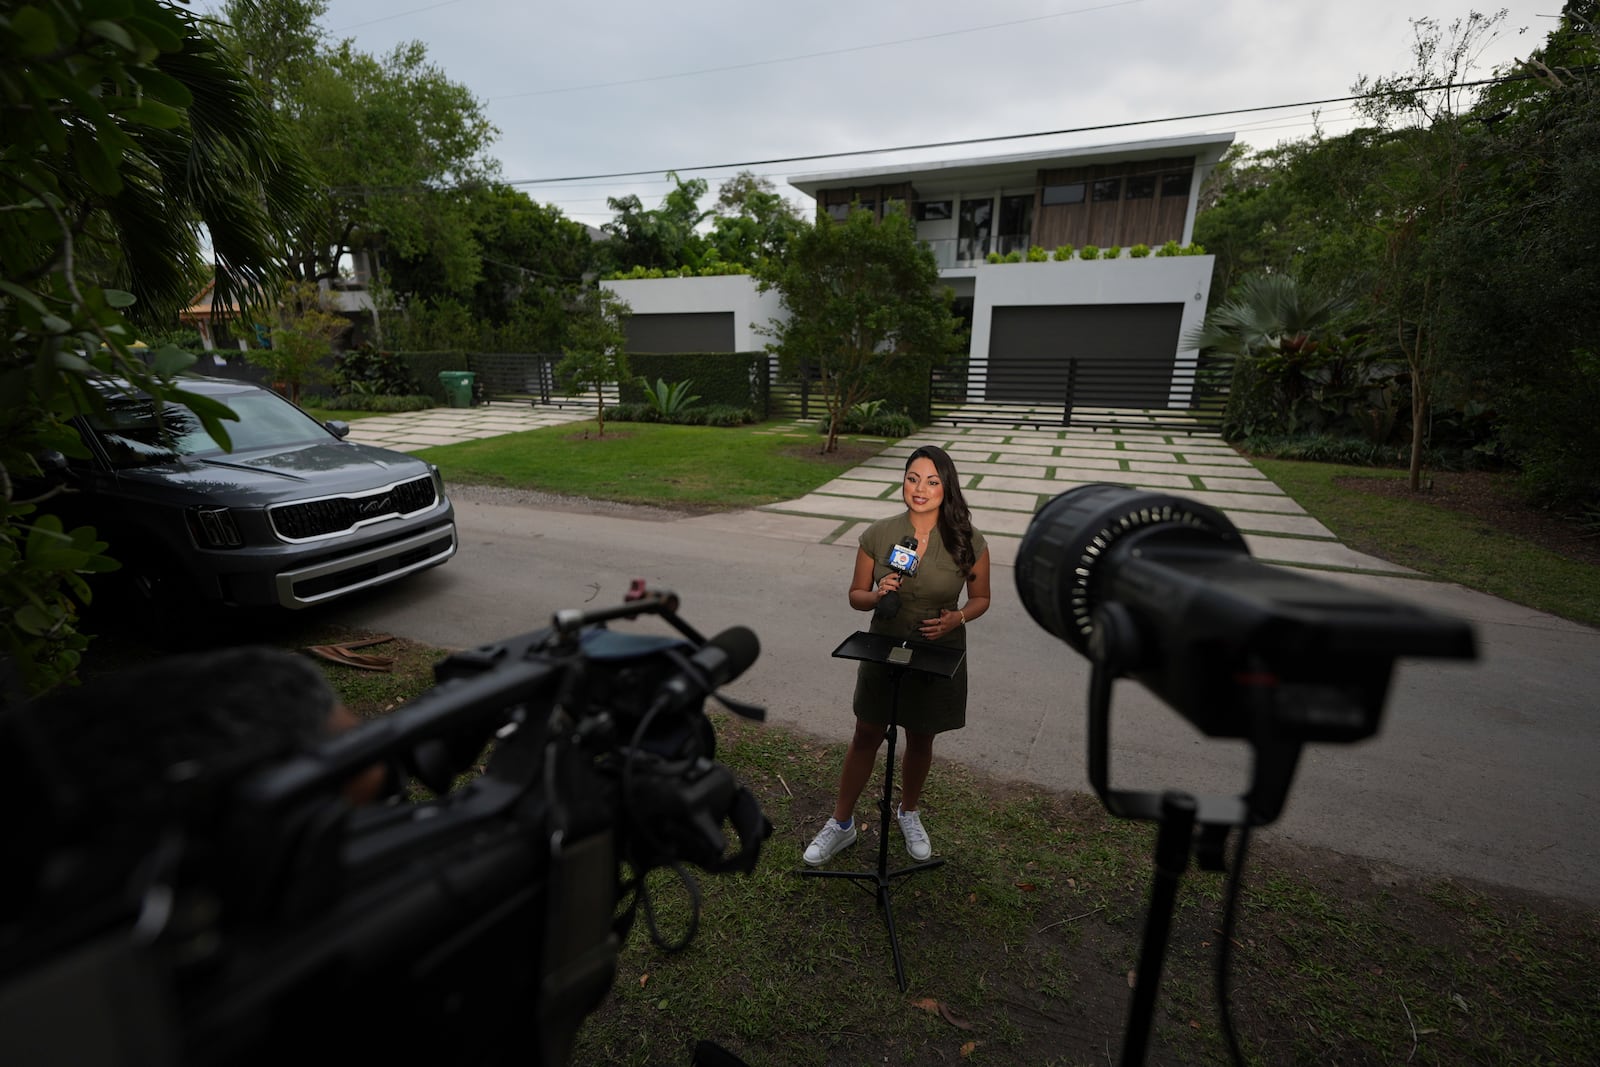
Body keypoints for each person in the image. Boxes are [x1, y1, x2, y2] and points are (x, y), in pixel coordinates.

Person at [804, 444, 991, 866]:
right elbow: (856, 596)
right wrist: (876, 594)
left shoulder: (969, 541)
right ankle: (842, 824)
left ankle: (908, 812)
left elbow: (981, 599)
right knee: (866, 733)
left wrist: (955, 618)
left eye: (931, 481)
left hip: (937, 649)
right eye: (912, 478)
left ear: (947, 487)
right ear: (902, 481)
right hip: (883, 643)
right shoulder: (879, 534)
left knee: (920, 735)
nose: (919, 489)